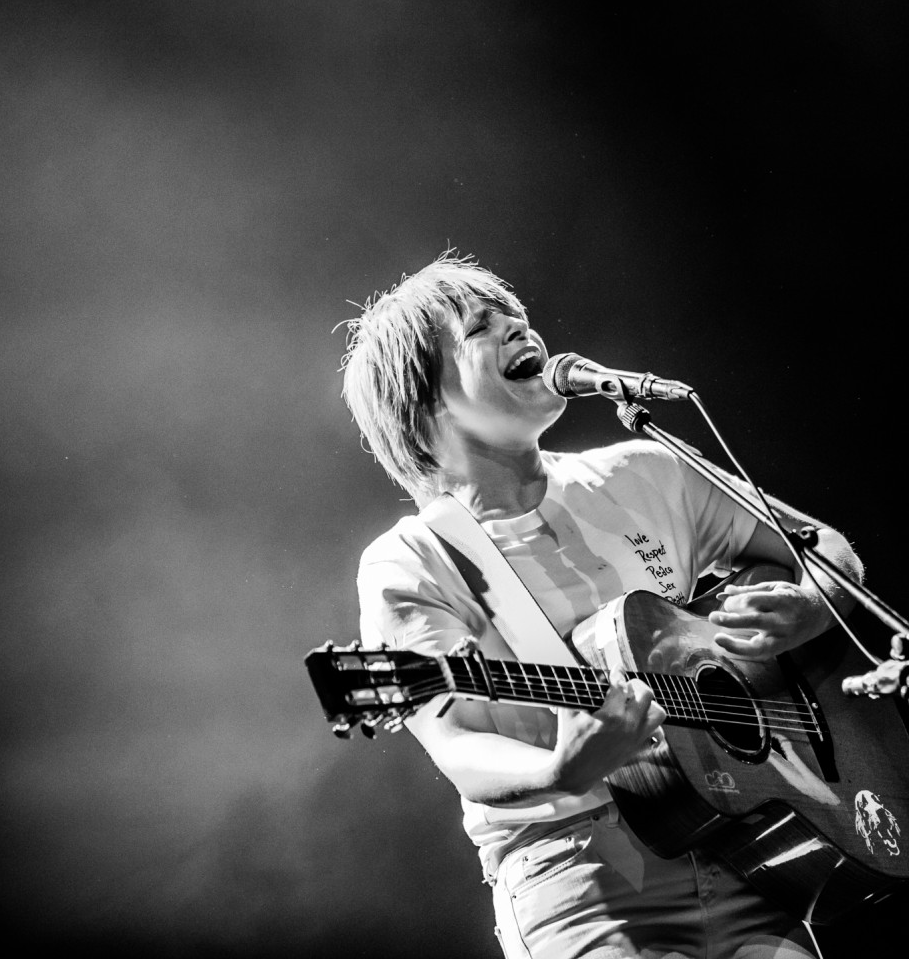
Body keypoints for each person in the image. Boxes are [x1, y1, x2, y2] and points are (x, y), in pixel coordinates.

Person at [340, 251, 864, 959]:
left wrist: (812, 605)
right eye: (483, 327)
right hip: (573, 879)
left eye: (519, 317)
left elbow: (822, 546)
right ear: (425, 401)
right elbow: (457, 743)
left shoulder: (647, 471)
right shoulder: (413, 561)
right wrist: (560, 770)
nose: (521, 330)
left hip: (744, 845)